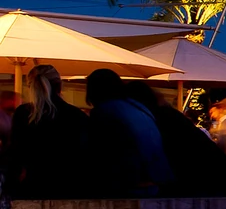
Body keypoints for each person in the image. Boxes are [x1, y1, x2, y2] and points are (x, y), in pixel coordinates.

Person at [2, 64, 90, 198]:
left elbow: (15, 155)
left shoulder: (24, 114)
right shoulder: (76, 116)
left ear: (31, 87)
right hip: (69, 189)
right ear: (59, 86)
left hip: (32, 189)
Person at [83, 68, 174, 196]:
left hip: (130, 183)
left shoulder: (106, 111)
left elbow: (98, 149)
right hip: (156, 179)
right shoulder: (138, 108)